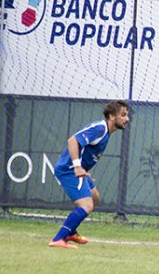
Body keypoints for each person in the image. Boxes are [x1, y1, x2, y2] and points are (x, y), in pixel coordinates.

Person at [48, 100, 130, 248]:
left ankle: (71, 232)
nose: (127, 119)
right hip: (69, 169)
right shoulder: (100, 128)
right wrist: (77, 167)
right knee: (86, 205)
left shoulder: (105, 132)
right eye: (123, 115)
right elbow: (72, 141)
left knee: (94, 197)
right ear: (112, 116)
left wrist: (84, 169)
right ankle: (58, 238)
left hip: (80, 170)